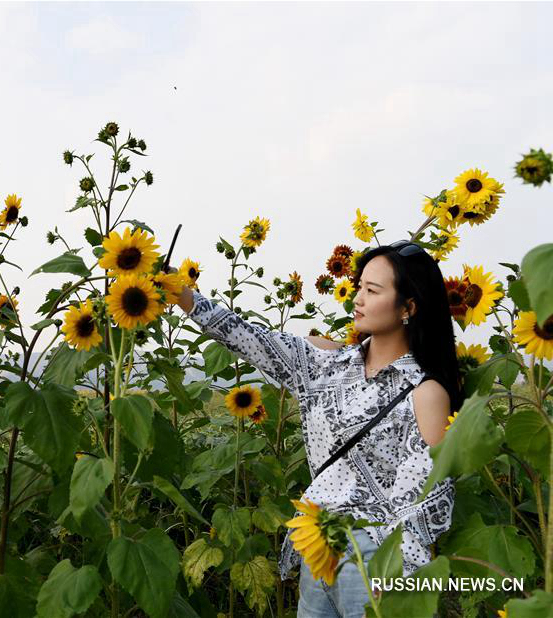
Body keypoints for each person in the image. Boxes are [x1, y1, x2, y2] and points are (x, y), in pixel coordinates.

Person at [174, 241, 462, 618]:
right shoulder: (327, 363)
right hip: (317, 548)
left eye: (372, 291)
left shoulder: (425, 393)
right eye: (359, 286)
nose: (357, 299)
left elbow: (424, 505)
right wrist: (184, 297)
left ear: (409, 307)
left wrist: (395, 584)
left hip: (373, 561)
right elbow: (249, 339)